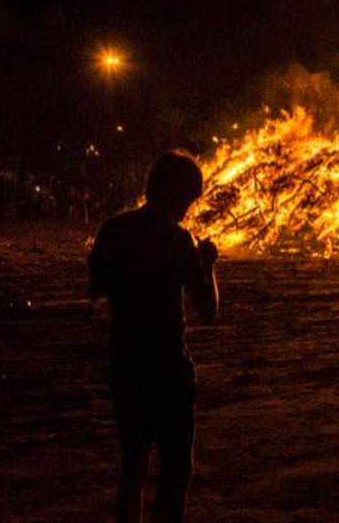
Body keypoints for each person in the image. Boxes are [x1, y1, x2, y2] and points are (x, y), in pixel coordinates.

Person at [88, 150, 219, 523]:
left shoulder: (113, 230)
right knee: (177, 469)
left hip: (126, 363)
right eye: (188, 201)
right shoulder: (178, 240)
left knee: (133, 466)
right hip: (168, 367)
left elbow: (95, 288)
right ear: (179, 196)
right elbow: (208, 310)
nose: (188, 210)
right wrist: (207, 264)